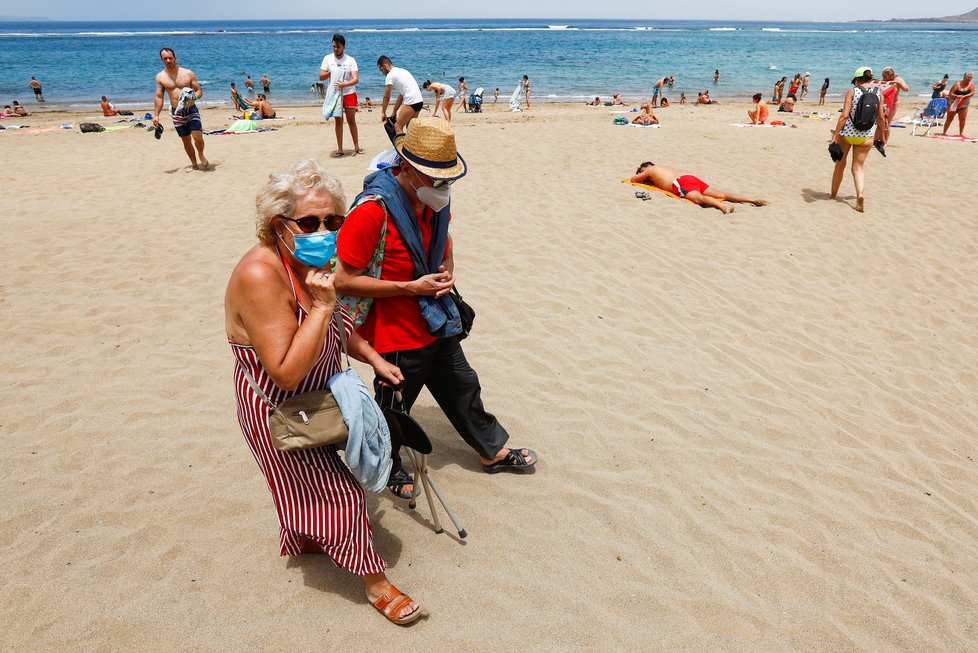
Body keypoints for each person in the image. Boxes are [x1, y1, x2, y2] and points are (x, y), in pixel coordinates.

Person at [225, 158, 422, 626]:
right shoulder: (261, 274)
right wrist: (323, 305)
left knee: (306, 487)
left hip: (321, 395)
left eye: (334, 220)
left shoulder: (309, 262)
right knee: (341, 495)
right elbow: (286, 373)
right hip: (280, 406)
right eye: (309, 221)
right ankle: (376, 582)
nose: (325, 230)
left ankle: (310, 539)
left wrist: (373, 358)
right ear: (278, 225)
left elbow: (338, 327)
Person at [333, 118, 538, 499]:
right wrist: (410, 287)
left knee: (462, 385)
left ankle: (491, 449)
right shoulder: (372, 212)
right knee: (394, 408)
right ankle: (388, 464)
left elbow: (446, 238)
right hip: (395, 332)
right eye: (434, 178)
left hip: (437, 319)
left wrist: (449, 267)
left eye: (448, 179)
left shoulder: (435, 199)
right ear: (406, 169)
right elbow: (342, 281)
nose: (443, 186)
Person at [830, 67, 888, 213]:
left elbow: (844, 115)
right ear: (870, 78)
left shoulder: (852, 91)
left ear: (857, 79)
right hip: (866, 136)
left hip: (847, 134)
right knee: (858, 168)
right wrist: (881, 135)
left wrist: (835, 134)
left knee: (840, 165)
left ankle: (833, 195)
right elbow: (881, 117)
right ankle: (860, 195)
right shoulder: (878, 92)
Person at [630, 161, 770, 214]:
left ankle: (723, 208)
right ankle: (752, 200)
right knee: (722, 195)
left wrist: (643, 176)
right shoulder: (663, 167)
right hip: (690, 177)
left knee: (698, 199)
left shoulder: (650, 170)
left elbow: (633, 180)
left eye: (642, 171)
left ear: (645, 168)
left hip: (680, 183)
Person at [153, 48, 208, 170]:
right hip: (176, 112)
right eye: (165, 58)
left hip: (191, 109)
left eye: (170, 58)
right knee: (186, 140)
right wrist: (156, 114)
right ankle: (194, 164)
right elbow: (158, 97)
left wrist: (192, 97)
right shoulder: (160, 77)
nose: (168, 60)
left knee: (197, 136)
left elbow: (199, 91)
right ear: (161, 60)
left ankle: (201, 154)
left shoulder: (188, 73)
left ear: (175, 58)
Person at [319, 33, 362, 157]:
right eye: (334, 46)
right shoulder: (328, 59)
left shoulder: (350, 60)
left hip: (349, 93)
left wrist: (345, 84)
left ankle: (357, 147)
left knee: (351, 120)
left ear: (343, 46)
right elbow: (321, 76)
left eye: (338, 46)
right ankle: (340, 149)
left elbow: (356, 79)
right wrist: (332, 72)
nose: (335, 49)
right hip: (335, 94)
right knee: (338, 121)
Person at [377, 55, 423, 137]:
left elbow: (386, 97)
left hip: (411, 102)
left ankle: (400, 149)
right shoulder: (402, 71)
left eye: (381, 70)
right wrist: (394, 111)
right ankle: (411, 149)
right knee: (410, 128)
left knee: (397, 127)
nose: (382, 73)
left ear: (385, 66)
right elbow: (401, 95)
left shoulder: (390, 75)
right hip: (419, 101)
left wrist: (383, 112)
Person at [942, 72, 975, 138]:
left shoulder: (971, 85)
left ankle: (961, 133)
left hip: (963, 106)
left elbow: (972, 93)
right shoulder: (957, 84)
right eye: (968, 77)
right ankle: (944, 133)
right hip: (953, 105)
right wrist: (957, 96)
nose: (970, 79)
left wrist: (964, 96)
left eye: (971, 77)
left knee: (962, 119)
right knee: (949, 119)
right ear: (964, 77)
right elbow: (950, 94)